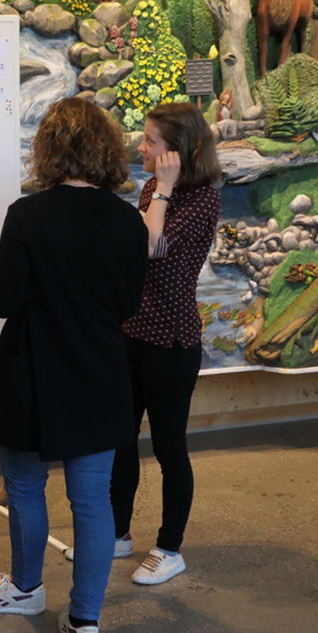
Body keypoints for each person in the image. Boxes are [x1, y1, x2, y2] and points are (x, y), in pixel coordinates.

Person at [0, 97, 148, 633]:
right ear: (106, 149)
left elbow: (6, 301)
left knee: (24, 487)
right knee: (92, 501)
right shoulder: (127, 220)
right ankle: (85, 619)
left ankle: (24, 590)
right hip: (100, 373)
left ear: (48, 149)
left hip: (31, 374)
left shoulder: (26, 216)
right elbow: (128, 305)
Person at [109, 102, 222, 585]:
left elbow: (151, 245)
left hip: (171, 340)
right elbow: (136, 251)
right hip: (131, 331)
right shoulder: (154, 188)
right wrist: (159, 191)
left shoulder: (203, 201)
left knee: (169, 446)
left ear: (176, 152)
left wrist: (166, 190)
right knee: (119, 440)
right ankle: (116, 535)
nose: (141, 147)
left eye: (150, 142)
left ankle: (169, 548)